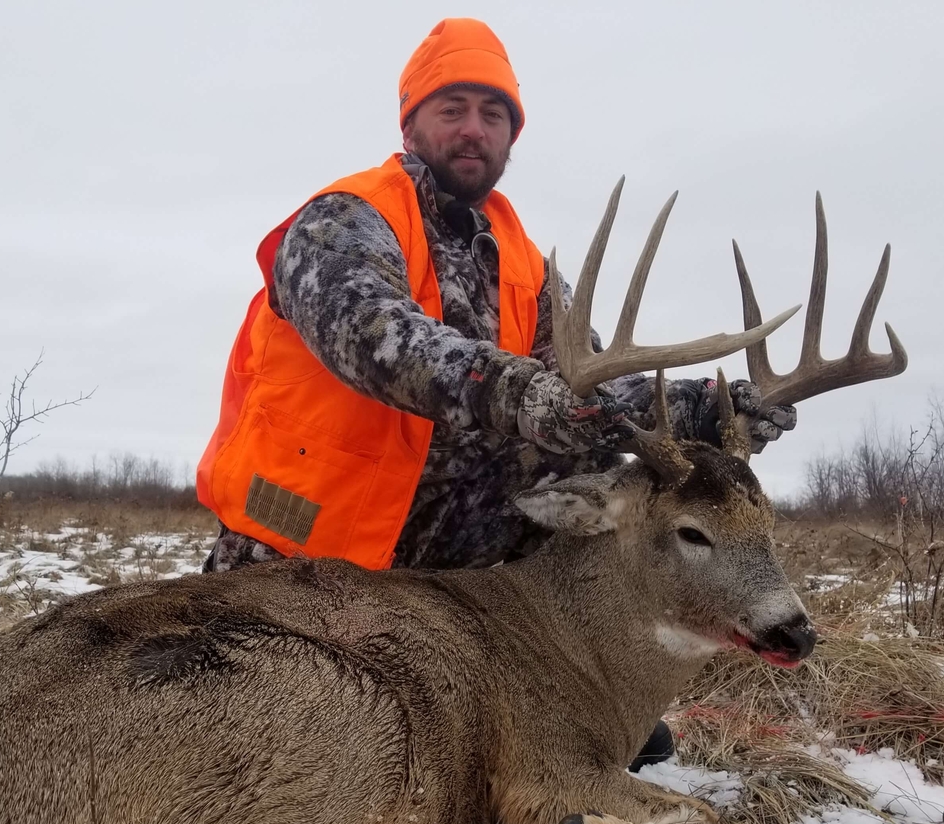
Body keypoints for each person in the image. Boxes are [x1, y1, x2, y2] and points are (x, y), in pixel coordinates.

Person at [195, 18, 796, 766]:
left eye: (493, 114)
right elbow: (374, 338)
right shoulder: (345, 218)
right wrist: (516, 390)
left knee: (608, 471)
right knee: (285, 738)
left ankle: (578, 688)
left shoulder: (522, 260)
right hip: (304, 547)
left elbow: (594, 388)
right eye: (452, 109)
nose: (473, 129)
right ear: (410, 124)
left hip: (436, 563)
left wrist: (706, 407)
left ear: (512, 136)